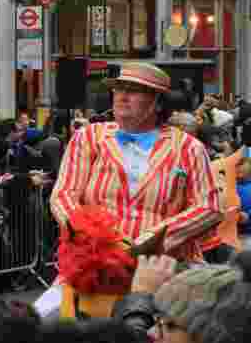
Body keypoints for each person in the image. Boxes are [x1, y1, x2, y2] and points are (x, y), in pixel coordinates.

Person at [51, 62, 222, 318]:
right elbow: (63, 195)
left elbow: (210, 206)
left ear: (157, 102)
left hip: (164, 270)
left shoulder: (188, 147)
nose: (122, 96)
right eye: (119, 88)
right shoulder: (88, 137)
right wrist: (93, 238)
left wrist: (155, 237)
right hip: (92, 267)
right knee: (42, 330)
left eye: (134, 90)